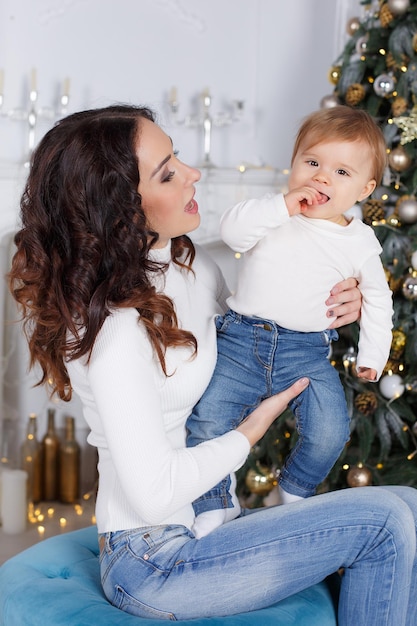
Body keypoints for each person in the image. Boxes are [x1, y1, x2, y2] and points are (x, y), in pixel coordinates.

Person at [8, 104, 417, 626]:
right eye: (168, 172)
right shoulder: (116, 334)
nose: (192, 173)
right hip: (152, 560)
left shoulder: (187, 262)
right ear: (121, 207)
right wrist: (248, 434)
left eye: (177, 156)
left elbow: (270, 305)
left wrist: (348, 297)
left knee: (409, 503)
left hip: (202, 529)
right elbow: (153, 494)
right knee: (384, 521)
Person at [186, 105, 394, 538]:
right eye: (312, 162)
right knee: (208, 419)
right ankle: (216, 504)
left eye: (341, 172)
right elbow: (232, 232)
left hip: (307, 351)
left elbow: (378, 298)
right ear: (294, 162)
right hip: (243, 340)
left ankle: (294, 493)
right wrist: (281, 206)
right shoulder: (274, 214)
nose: (321, 178)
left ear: (364, 189)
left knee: (330, 429)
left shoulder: (359, 241)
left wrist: (374, 354)